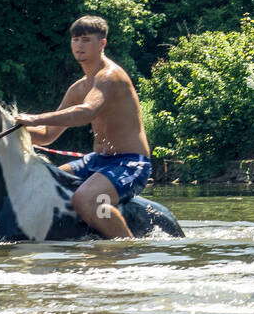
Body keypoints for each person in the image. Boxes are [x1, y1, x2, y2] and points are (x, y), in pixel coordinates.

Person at [14, 16, 153, 239]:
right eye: (76, 39)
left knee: (84, 199)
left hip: (130, 162)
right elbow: (48, 135)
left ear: (102, 44)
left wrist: (35, 118)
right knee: (45, 181)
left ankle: (127, 249)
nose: (79, 45)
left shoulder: (110, 76)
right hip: (96, 160)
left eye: (86, 40)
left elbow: (88, 112)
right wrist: (6, 132)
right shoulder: (77, 88)